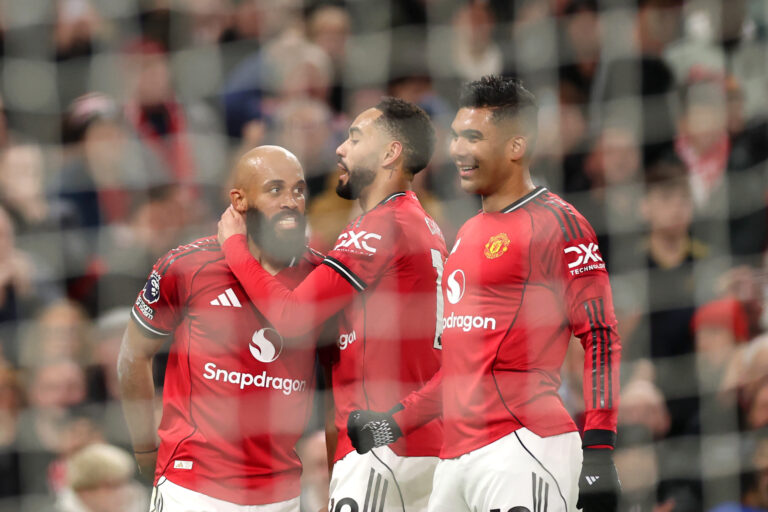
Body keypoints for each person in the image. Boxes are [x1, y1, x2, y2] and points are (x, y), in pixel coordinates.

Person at [346, 76, 622, 512]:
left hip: (524, 444)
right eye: (455, 135)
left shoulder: (559, 224)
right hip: (455, 459)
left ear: (516, 146)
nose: (456, 149)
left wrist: (601, 448)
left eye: (473, 137)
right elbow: (461, 369)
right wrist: (392, 424)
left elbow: (601, 337)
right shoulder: (468, 234)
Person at [217, 97, 446, 511]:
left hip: (381, 447)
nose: (340, 149)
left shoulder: (378, 227)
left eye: (355, 138)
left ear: (390, 153)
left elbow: (291, 317)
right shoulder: (426, 225)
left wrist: (233, 246)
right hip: (420, 442)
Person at [117, 146, 327, 511]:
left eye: (298, 190)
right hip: (192, 487)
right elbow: (133, 355)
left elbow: (342, 381)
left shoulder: (321, 275)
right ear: (239, 200)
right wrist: (145, 450)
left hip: (281, 494)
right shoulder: (186, 266)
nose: (291, 201)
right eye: (275, 190)